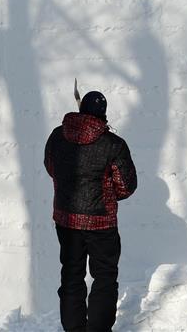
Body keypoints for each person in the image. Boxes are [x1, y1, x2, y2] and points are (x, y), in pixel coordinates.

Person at [44, 90, 137, 332]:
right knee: (104, 278)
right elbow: (126, 187)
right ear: (104, 115)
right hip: (101, 223)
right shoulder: (114, 145)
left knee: (72, 275)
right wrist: (106, 193)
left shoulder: (57, 136)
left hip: (66, 220)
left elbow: (51, 167)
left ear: (80, 109)